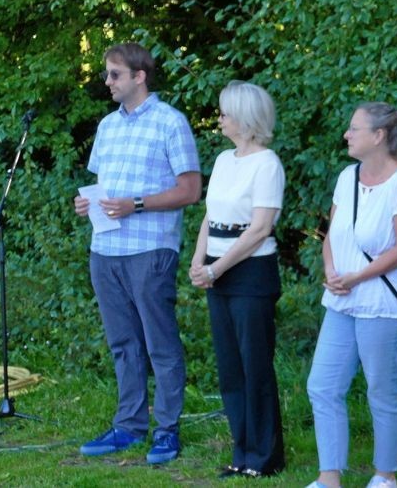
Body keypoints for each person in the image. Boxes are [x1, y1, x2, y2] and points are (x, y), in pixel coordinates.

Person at [72, 42, 201, 464]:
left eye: (114, 74)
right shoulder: (108, 126)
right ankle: (128, 426)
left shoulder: (171, 123)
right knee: (123, 343)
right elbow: (106, 186)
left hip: (150, 249)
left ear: (139, 76)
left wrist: (137, 204)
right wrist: (88, 204)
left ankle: (167, 430)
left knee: (159, 343)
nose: (107, 82)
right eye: (107, 75)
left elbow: (190, 190)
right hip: (105, 248)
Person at [306, 103, 397, 488]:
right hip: (343, 300)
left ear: (378, 136)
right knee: (322, 386)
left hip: (383, 305)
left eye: (354, 128)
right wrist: (332, 271)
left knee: (382, 389)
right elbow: (333, 233)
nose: (347, 134)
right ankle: (329, 477)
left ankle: (385, 476)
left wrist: (357, 276)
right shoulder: (348, 176)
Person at [187, 81, 286, 478]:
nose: (220, 118)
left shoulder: (268, 163)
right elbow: (211, 216)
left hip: (250, 272)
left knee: (255, 365)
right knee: (230, 367)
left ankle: (265, 457)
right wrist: (199, 261)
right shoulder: (226, 159)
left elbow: (260, 229)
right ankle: (241, 451)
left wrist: (217, 267)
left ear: (245, 119)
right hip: (218, 267)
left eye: (226, 112)